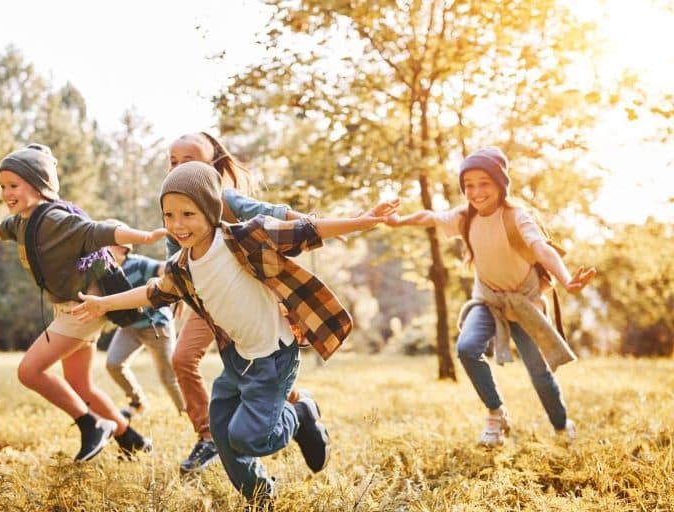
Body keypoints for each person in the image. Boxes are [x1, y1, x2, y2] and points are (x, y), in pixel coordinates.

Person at [71, 161, 400, 508]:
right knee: (223, 436)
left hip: (274, 357)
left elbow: (305, 230)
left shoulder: (245, 238)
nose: (178, 225)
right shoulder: (182, 267)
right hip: (237, 359)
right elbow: (154, 292)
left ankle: (299, 413)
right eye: (169, 215)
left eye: (188, 213)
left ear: (211, 210)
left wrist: (365, 219)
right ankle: (260, 497)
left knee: (248, 438)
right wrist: (103, 303)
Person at [0, 143, 162, 462]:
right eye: (2, 186)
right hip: (71, 306)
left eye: (14, 185)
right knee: (79, 384)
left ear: (40, 184)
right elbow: (4, 229)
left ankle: (92, 424)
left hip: (83, 307)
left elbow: (97, 232)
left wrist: (144, 237)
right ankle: (132, 441)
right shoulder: (23, 220)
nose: (6, 193)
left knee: (29, 371)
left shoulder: (54, 218)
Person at [387, 147, 596, 446]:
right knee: (467, 347)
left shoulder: (516, 216)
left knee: (539, 372)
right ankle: (497, 413)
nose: (475, 191)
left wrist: (566, 279)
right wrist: (398, 221)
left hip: (524, 304)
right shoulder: (464, 217)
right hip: (488, 300)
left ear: (500, 184)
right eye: (468, 185)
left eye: (484, 182)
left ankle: (562, 427)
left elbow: (541, 248)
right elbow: (429, 217)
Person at [166, 132, 319, 473]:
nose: (177, 168)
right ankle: (208, 438)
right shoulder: (176, 206)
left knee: (259, 369)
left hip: (250, 297)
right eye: (173, 162)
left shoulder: (227, 199)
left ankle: (298, 410)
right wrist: (175, 295)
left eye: (188, 161)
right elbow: (175, 258)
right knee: (183, 358)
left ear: (213, 166)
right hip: (211, 301)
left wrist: (310, 225)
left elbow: (271, 212)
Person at [102, 220, 186, 418]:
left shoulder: (139, 264)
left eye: (106, 242)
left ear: (122, 247)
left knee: (168, 377)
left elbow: (165, 268)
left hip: (156, 326)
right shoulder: (105, 272)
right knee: (114, 364)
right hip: (130, 327)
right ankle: (138, 402)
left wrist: (179, 289)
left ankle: (187, 413)